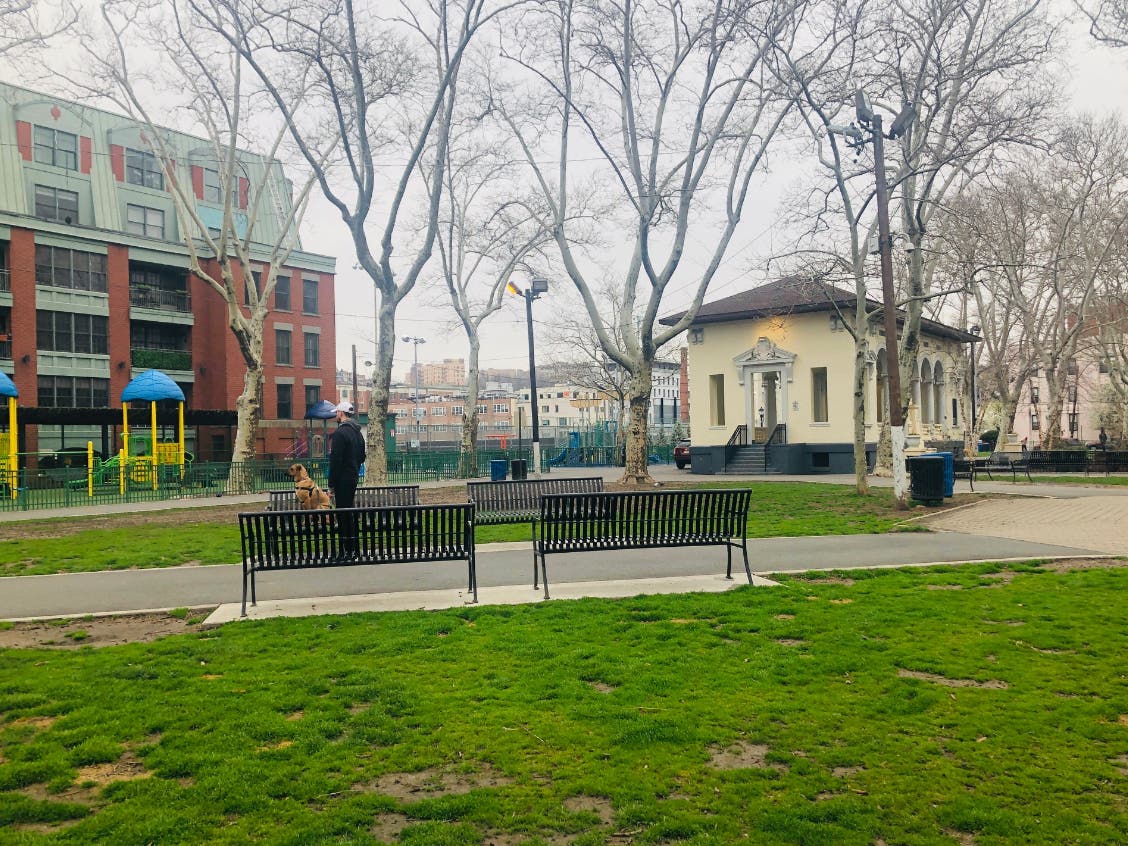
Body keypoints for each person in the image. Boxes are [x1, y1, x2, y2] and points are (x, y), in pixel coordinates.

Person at [328, 401, 366, 556]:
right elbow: (362, 456)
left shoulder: (340, 434)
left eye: (337, 412)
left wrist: (331, 485)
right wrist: (354, 465)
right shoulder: (357, 432)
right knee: (349, 512)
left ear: (341, 413)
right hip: (353, 477)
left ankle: (347, 550)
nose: (336, 415)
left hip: (342, 480)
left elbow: (335, 461)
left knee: (343, 514)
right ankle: (353, 547)